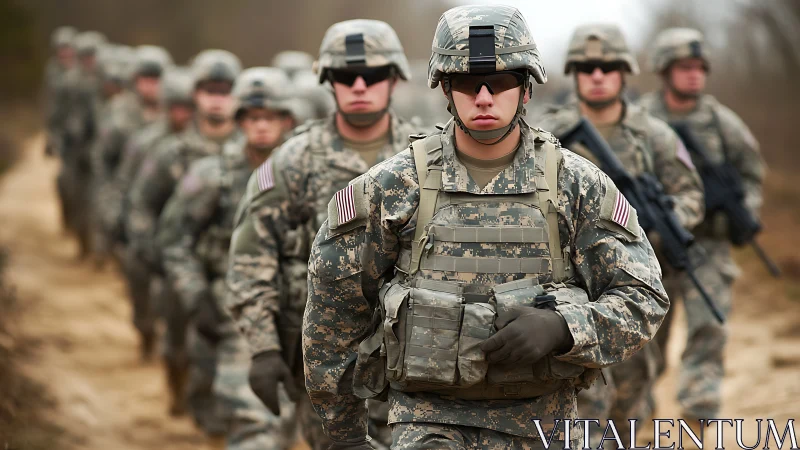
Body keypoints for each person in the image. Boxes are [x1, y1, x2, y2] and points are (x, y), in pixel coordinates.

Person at [301, 5, 669, 449]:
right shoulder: (393, 186)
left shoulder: (577, 184)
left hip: (545, 423)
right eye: (464, 82)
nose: (483, 97)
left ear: (526, 88)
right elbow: (332, 309)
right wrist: (345, 435)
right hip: (427, 420)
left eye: (499, 82)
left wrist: (566, 327)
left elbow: (643, 298)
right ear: (445, 89)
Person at [225, 19, 418, 450]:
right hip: (327, 367)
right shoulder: (293, 161)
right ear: (329, 82)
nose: (360, 86)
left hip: (413, 361)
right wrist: (263, 348)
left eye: (373, 76)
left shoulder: (424, 156)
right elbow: (249, 257)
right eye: (347, 77)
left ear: (393, 79)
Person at [536, 23, 704, 443]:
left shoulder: (655, 135)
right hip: (565, 283)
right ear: (575, 72)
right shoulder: (544, 134)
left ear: (624, 73)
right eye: (588, 67)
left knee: (634, 387)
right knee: (572, 396)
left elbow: (690, 196)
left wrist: (649, 229)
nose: (597, 75)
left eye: (608, 67)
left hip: (635, 284)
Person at [158, 67, 301, 450]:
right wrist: (195, 296)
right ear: (240, 121)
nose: (261, 127)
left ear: (287, 120)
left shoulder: (308, 177)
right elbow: (174, 240)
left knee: (295, 423)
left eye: (270, 117)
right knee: (245, 415)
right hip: (232, 308)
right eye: (253, 118)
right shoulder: (212, 175)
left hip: (300, 310)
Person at [638, 27, 766, 423]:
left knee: (708, 332)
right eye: (684, 67)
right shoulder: (641, 120)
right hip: (653, 248)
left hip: (708, 247)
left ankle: (697, 416)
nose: (694, 74)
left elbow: (751, 174)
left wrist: (742, 214)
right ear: (664, 71)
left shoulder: (722, 122)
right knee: (642, 340)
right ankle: (633, 419)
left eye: (699, 67)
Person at [127, 49, 241, 433]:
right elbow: (142, 205)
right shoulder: (171, 153)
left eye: (224, 90)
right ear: (195, 94)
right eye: (209, 89)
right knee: (179, 345)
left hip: (234, 273)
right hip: (180, 270)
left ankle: (218, 419)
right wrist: (154, 257)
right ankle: (180, 388)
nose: (217, 98)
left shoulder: (255, 152)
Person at [92, 45, 172, 267]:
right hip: (128, 198)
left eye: (156, 78)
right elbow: (103, 161)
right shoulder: (119, 114)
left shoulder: (176, 114)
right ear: (134, 80)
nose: (151, 85)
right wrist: (110, 206)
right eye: (145, 78)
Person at [55, 30, 107, 258]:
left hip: (99, 148)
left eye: (92, 56)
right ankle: (82, 242)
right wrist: (56, 136)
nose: (89, 61)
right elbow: (58, 113)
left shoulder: (106, 81)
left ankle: (97, 249)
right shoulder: (70, 82)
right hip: (75, 148)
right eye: (85, 56)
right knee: (71, 191)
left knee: (97, 199)